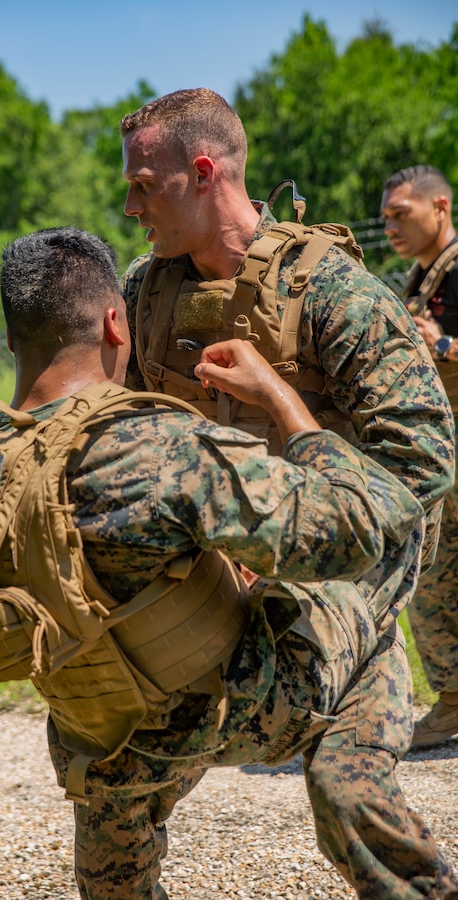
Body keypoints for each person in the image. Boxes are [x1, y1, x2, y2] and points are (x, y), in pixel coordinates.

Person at [0, 226, 458, 899]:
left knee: (114, 856)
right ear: (116, 326)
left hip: (106, 733)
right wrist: (281, 401)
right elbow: (356, 525)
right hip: (236, 707)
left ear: (11, 338)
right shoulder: (150, 449)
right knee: (364, 587)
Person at [118, 90, 457, 895]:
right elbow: (129, 426)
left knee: (346, 792)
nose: (129, 204)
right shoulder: (146, 291)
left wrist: (289, 425)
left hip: (349, 561)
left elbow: (423, 464)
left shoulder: (334, 292)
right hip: (221, 564)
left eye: (143, 184)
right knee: (111, 774)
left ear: (203, 174)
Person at [381, 164, 458, 746]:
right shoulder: (422, 276)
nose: (390, 229)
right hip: (444, 446)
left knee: (432, 575)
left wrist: (443, 343)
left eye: (401, 215)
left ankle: (453, 700)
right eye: (385, 219)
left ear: (441, 208)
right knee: (434, 574)